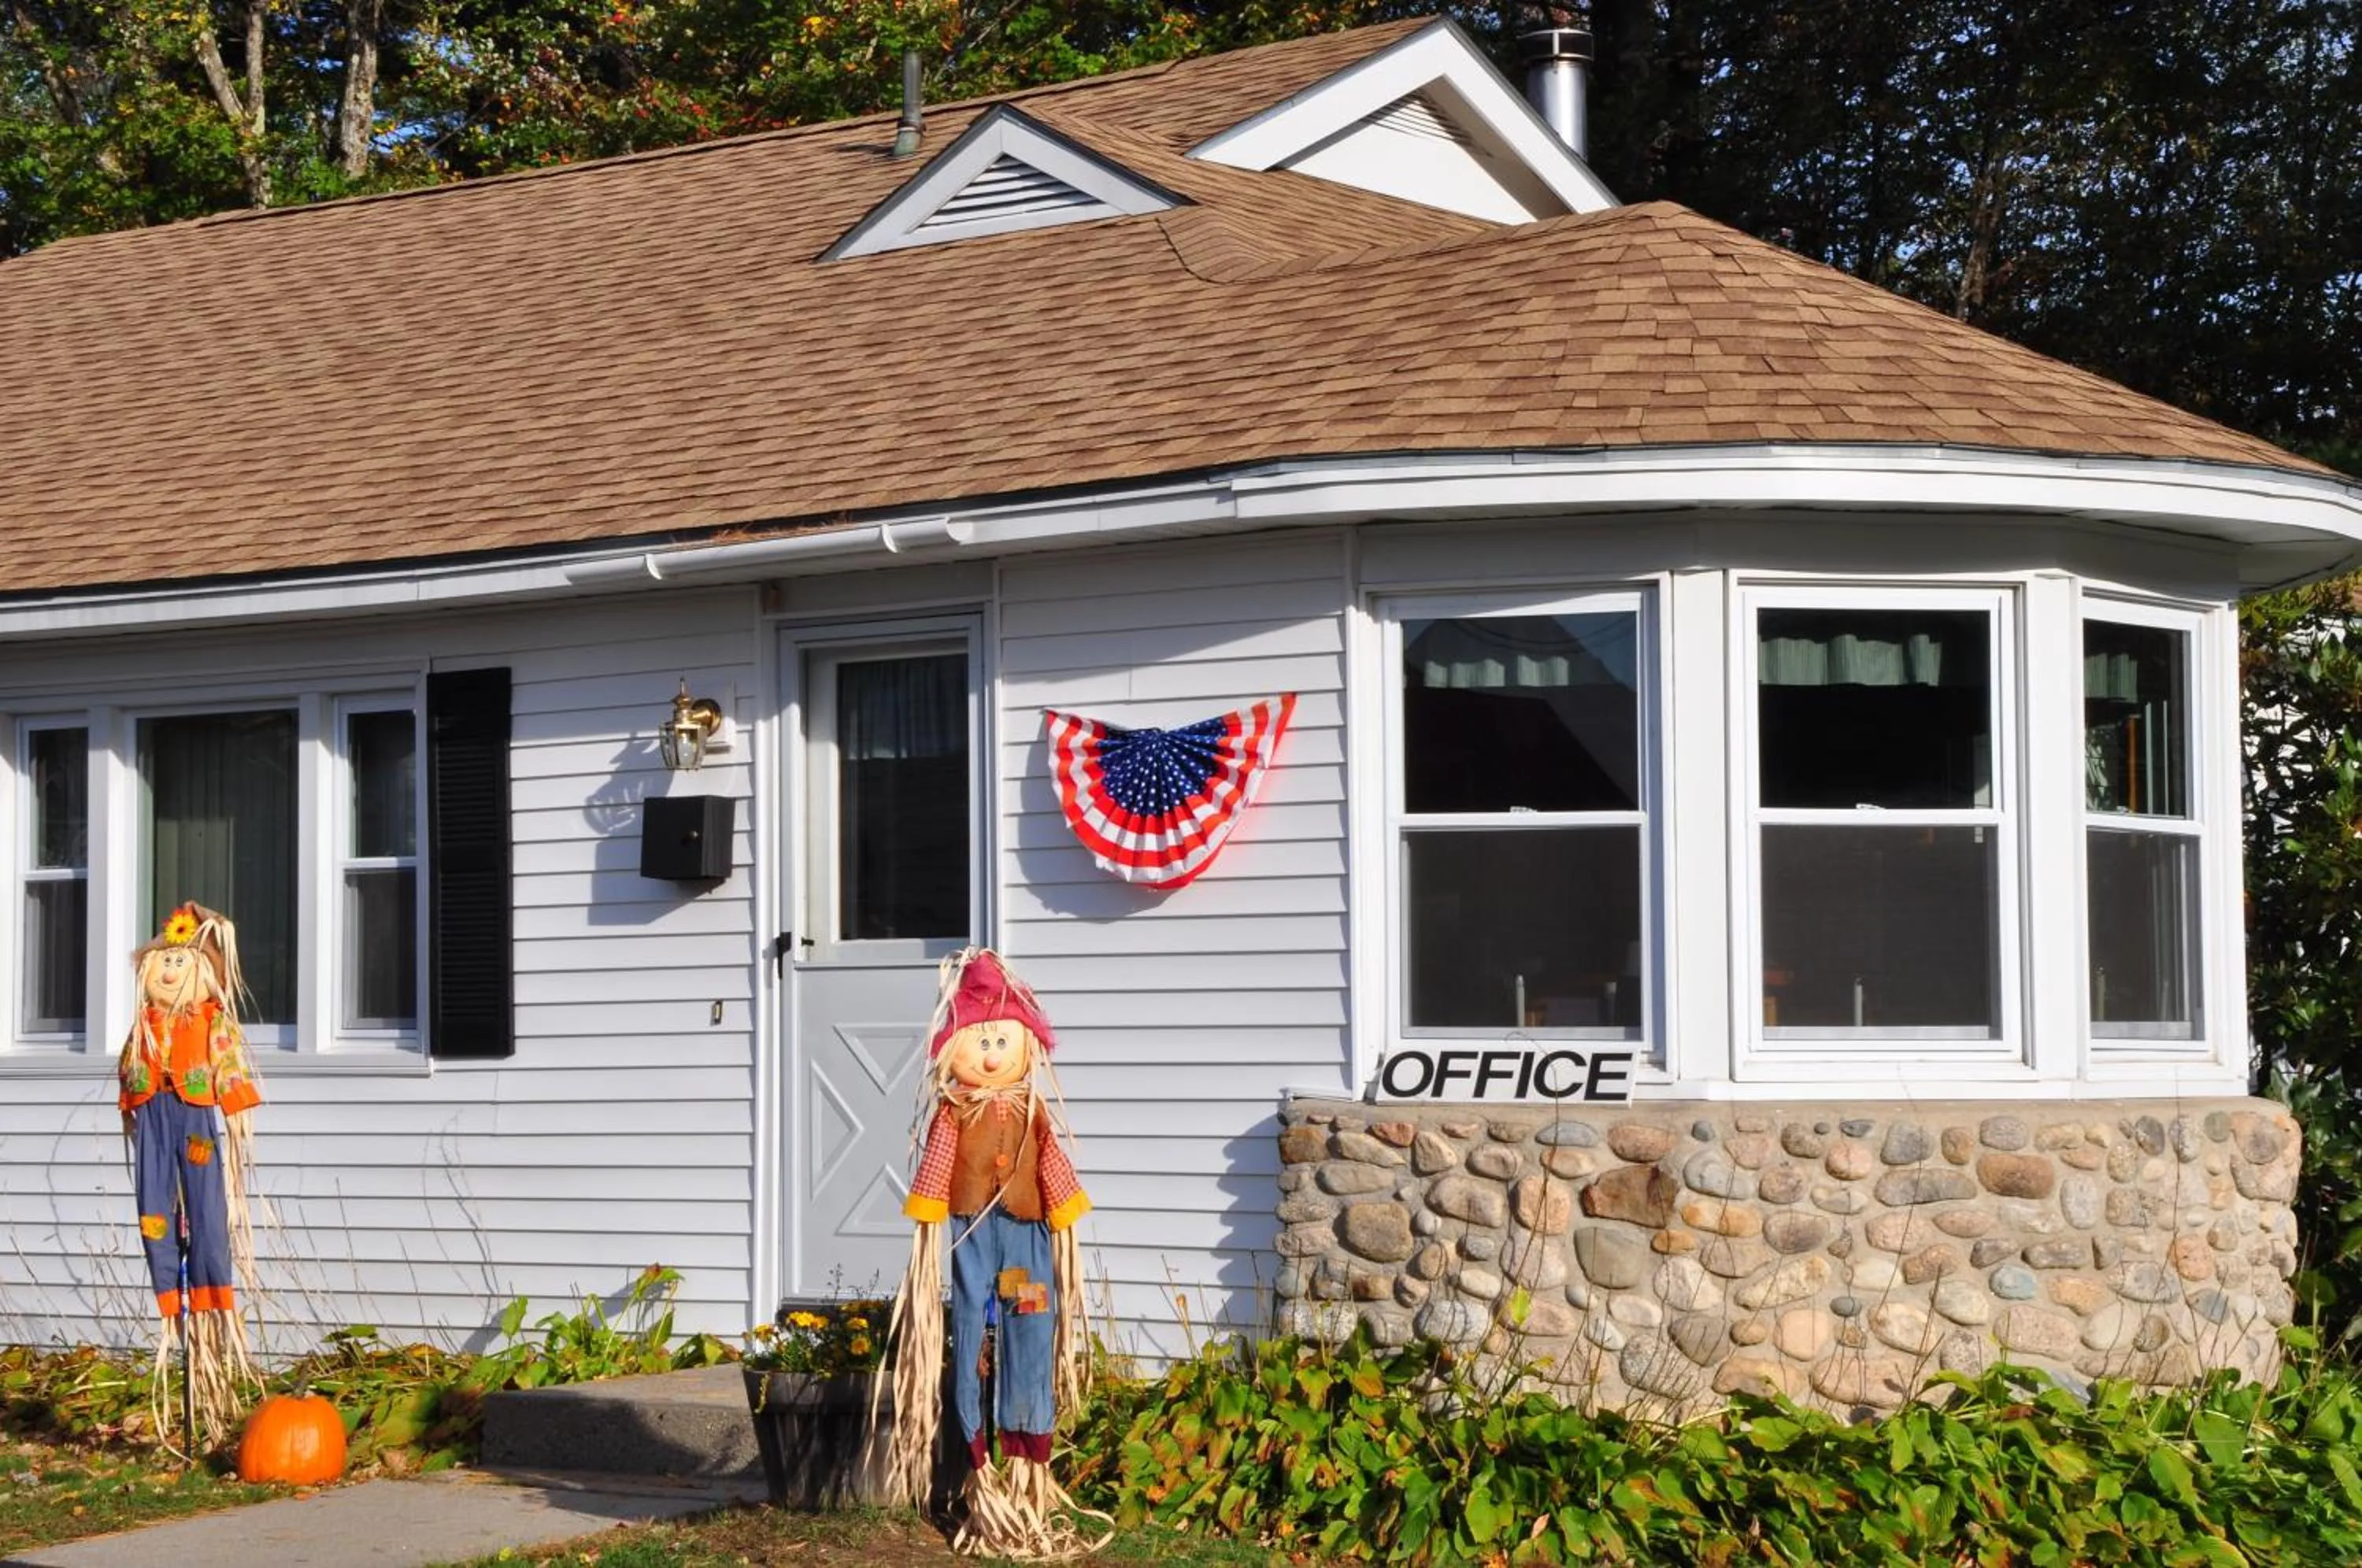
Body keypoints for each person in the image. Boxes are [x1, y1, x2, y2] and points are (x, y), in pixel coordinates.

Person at [879, 948, 1107, 1559]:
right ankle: (978, 1468)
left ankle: (1028, 1465)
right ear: (953, 1045)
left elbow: (1054, 1170)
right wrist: (928, 1220)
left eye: (1002, 1041)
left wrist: (1065, 1216)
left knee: (1029, 1323)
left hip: (1024, 1244)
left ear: (1025, 1044)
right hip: (970, 1239)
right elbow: (932, 1174)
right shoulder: (952, 1113)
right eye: (979, 1041)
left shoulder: (1033, 1113)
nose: (991, 1054)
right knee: (973, 1326)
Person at [118, 902, 262, 1443]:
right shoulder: (144, 1026)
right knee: (153, 1208)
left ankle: (209, 1297)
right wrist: (128, 1103)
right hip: (153, 1117)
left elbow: (228, 1063)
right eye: (164, 961)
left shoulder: (210, 1021)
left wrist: (236, 1106)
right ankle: (168, 1301)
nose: (171, 970)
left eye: (182, 960)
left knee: (204, 1209)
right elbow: (129, 1071)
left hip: (195, 1114)